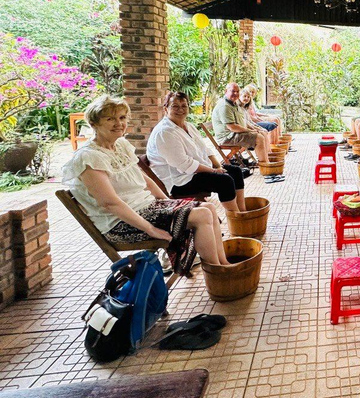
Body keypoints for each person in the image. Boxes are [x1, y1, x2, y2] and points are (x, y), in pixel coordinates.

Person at [62, 95, 231, 274]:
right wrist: (150, 230)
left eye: (121, 118)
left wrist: (171, 203)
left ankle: (224, 264)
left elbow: (145, 180)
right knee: (202, 215)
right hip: (121, 223)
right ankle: (218, 272)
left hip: (148, 207)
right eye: (110, 119)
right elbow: (109, 203)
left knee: (209, 209)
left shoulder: (120, 145)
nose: (118, 123)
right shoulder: (89, 157)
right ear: (94, 123)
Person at [147, 91, 246, 212]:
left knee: (235, 171)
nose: (180, 109)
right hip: (179, 181)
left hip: (194, 173)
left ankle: (243, 212)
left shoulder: (188, 126)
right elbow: (185, 164)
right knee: (224, 181)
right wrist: (214, 171)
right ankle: (236, 218)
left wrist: (218, 166)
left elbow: (205, 149)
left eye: (184, 106)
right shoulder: (165, 132)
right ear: (166, 109)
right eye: (175, 106)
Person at [211, 82, 270, 165]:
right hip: (228, 138)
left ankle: (267, 161)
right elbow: (233, 127)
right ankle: (265, 166)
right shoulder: (224, 106)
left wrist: (254, 129)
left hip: (235, 134)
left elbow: (244, 121)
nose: (235, 93)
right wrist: (250, 131)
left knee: (261, 133)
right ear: (226, 91)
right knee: (258, 138)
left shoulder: (234, 104)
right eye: (233, 91)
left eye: (237, 91)